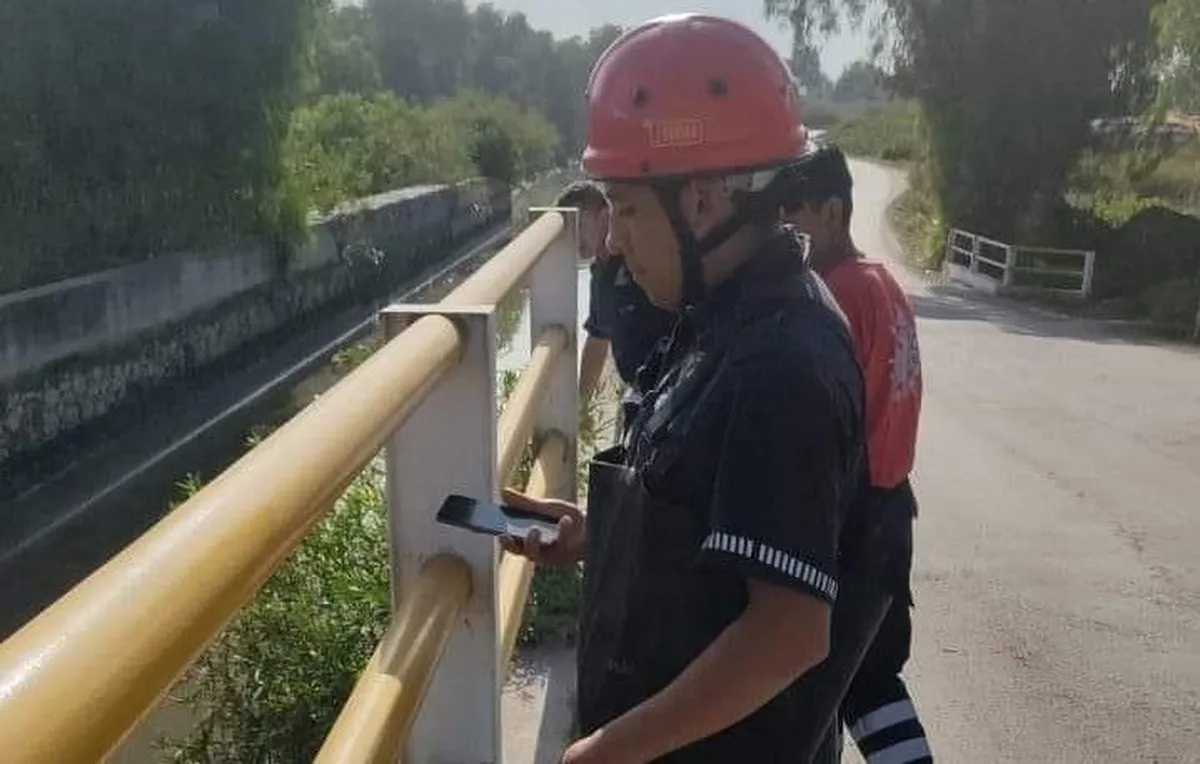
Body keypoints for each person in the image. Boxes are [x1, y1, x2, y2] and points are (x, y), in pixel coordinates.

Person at [501, 14, 892, 763]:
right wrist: (599, 535)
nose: (612, 241)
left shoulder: (783, 364)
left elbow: (787, 632)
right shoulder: (720, 315)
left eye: (625, 210)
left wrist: (608, 751)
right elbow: (706, 507)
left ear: (704, 201)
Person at [780, 146, 933, 763]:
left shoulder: (834, 292)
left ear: (835, 213)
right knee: (863, 684)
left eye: (797, 214)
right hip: (892, 514)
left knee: (819, 690)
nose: (786, 228)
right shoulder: (884, 283)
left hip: (855, 520)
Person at [556, 181, 675, 406]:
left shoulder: (639, 257)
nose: (574, 238)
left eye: (579, 225)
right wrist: (581, 406)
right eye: (567, 230)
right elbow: (598, 337)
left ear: (605, 216)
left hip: (669, 385)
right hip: (640, 392)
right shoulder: (601, 271)